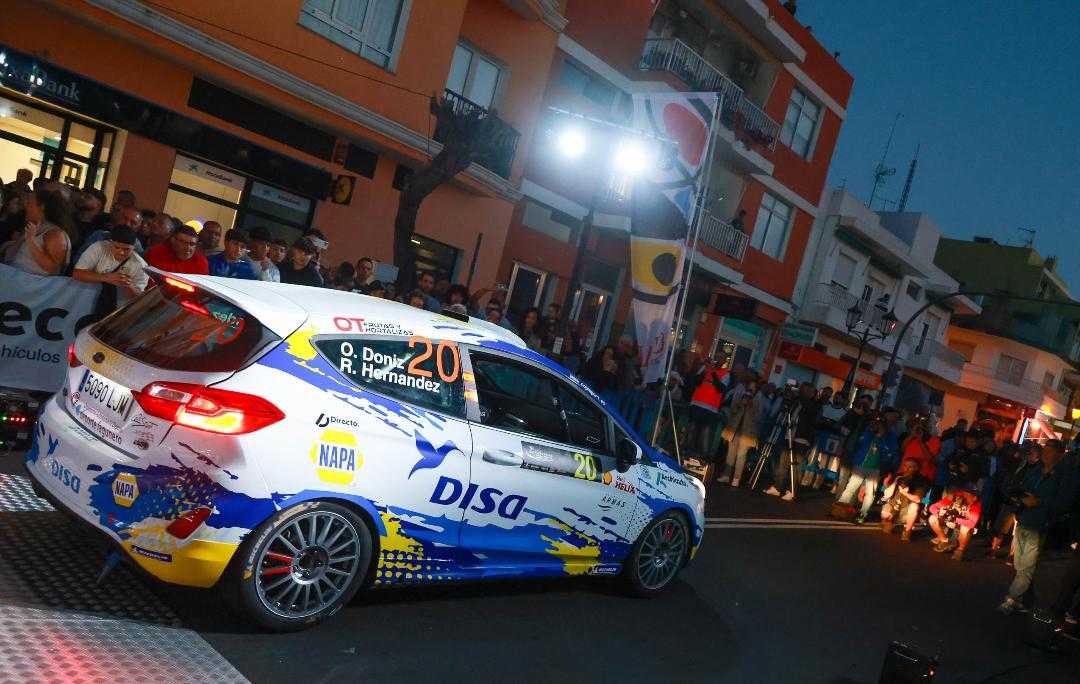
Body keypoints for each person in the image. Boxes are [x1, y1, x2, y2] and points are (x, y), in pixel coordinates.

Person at [997, 439, 1072, 614]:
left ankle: (1011, 598)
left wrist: (1039, 502)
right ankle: (1021, 599)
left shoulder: (1062, 477)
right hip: (1024, 519)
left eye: (1050, 451)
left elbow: (1062, 502)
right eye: (1045, 450)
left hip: (1039, 525)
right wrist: (1022, 497)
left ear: (1060, 454)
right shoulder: (1036, 470)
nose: (1045, 454)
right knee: (1020, 565)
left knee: (1026, 567)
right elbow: (1022, 487)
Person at [835, 417, 900, 523]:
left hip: (876, 470)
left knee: (870, 493)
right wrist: (871, 430)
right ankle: (839, 508)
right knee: (850, 488)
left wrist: (888, 469)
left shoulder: (888, 438)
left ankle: (862, 514)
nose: (878, 427)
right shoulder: (869, 434)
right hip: (860, 465)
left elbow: (890, 452)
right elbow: (860, 443)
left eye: (880, 426)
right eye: (877, 425)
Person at [72, 225, 148, 310]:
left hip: (117, 306)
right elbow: (76, 274)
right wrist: (106, 277)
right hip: (86, 297)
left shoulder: (140, 265)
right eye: (117, 247)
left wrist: (128, 285)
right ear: (110, 242)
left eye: (126, 249)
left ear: (134, 247)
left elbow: (139, 298)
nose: (121, 252)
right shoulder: (99, 248)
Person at [988, 443, 1042, 559]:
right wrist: (1009, 492)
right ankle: (994, 550)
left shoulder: (1038, 469)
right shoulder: (1022, 464)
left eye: (1030, 453)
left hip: (1023, 501)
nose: (1028, 455)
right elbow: (1011, 477)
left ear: (1038, 455)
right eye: (1027, 453)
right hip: (1012, 499)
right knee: (1001, 526)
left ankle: (1012, 554)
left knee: (1017, 530)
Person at [7, 189, 74, 276]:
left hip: (28, 282)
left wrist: (31, 241)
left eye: (29, 203)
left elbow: (52, 268)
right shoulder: (37, 227)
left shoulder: (56, 234)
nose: (26, 206)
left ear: (42, 207)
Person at [685, 354, 729, 461]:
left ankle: (702, 458)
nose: (717, 359)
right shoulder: (705, 368)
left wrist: (713, 372)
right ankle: (687, 453)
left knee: (705, 434)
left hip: (710, 409)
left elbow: (720, 389)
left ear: (724, 362)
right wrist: (705, 368)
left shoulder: (725, 374)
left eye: (721, 358)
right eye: (717, 357)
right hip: (697, 404)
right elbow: (695, 381)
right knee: (692, 430)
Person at [720, 381, 761, 487]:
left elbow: (757, 418)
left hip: (747, 434)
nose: (750, 392)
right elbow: (732, 410)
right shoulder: (740, 397)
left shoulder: (757, 401)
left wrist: (751, 406)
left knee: (741, 457)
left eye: (752, 389)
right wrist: (739, 404)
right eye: (749, 389)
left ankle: (736, 479)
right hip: (734, 430)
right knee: (730, 454)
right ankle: (726, 476)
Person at [880, 457, 931, 541]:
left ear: (916, 468)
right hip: (893, 506)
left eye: (910, 467)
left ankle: (907, 531)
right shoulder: (898, 476)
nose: (906, 469)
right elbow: (887, 493)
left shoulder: (921, 480)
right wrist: (886, 483)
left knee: (914, 506)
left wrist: (905, 493)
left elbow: (917, 499)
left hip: (906, 509)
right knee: (886, 522)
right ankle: (889, 522)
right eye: (905, 466)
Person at [928, 485, 982, 561]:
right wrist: (939, 512)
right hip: (950, 521)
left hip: (962, 525)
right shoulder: (955, 497)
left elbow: (972, 523)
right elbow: (932, 507)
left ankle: (960, 549)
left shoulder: (976, 505)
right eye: (964, 493)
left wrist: (955, 520)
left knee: (965, 528)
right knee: (932, 518)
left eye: (968, 494)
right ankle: (944, 541)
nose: (965, 496)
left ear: (974, 498)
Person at [76, 205, 143, 261]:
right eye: (125, 218)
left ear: (138, 228)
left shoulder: (137, 248)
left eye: (133, 223)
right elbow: (78, 260)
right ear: (118, 217)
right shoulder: (99, 235)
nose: (127, 224)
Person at [143, 224, 209, 275]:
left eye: (192, 244)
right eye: (183, 242)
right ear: (173, 240)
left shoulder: (201, 262)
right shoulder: (156, 253)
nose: (188, 248)